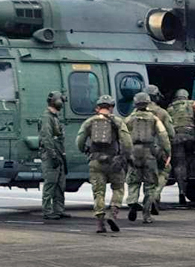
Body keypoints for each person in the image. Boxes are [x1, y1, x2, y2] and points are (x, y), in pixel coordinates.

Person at [76, 95, 133, 233]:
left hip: (96, 162)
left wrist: (86, 151)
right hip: (114, 161)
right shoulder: (118, 122)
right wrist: (124, 157)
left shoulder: (89, 122)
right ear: (112, 107)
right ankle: (113, 214)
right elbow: (127, 142)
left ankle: (100, 223)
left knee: (98, 192)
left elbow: (79, 141)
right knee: (118, 188)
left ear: (98, 108)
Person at [124, 92, 171, 223]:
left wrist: (125, 153)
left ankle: (132, 202)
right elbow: (164, 136)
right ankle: (146, 214)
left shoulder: (129, 119)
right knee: (150, 185)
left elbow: (123, 136)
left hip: (134, 153)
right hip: (149, 154)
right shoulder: (154, 119)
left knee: (133, 182)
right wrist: (168, 152)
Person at [167, 88, 195, 204]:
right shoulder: (192, 104)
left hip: (177, 139)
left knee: (179, 164)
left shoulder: (170, 107)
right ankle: (191, 179)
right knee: (189, 160)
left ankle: (181, 192)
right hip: (191, 137)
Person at [144, 84, 177, 211]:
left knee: (147, 175)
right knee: (165, 170)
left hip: (142, 150)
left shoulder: (136, 113)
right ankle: (154, 196)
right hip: (158, 149)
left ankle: (149, 201)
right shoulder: (162, 113)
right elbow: (171, 133)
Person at [39, 91, 69, 220]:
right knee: (51, 183)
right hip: (51, 155)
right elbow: (47, 138)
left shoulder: (54, 117)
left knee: (60, 184)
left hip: (58, 153)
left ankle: (58, 210)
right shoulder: (47, 117)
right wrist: (53, 155)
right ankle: (47, 210)